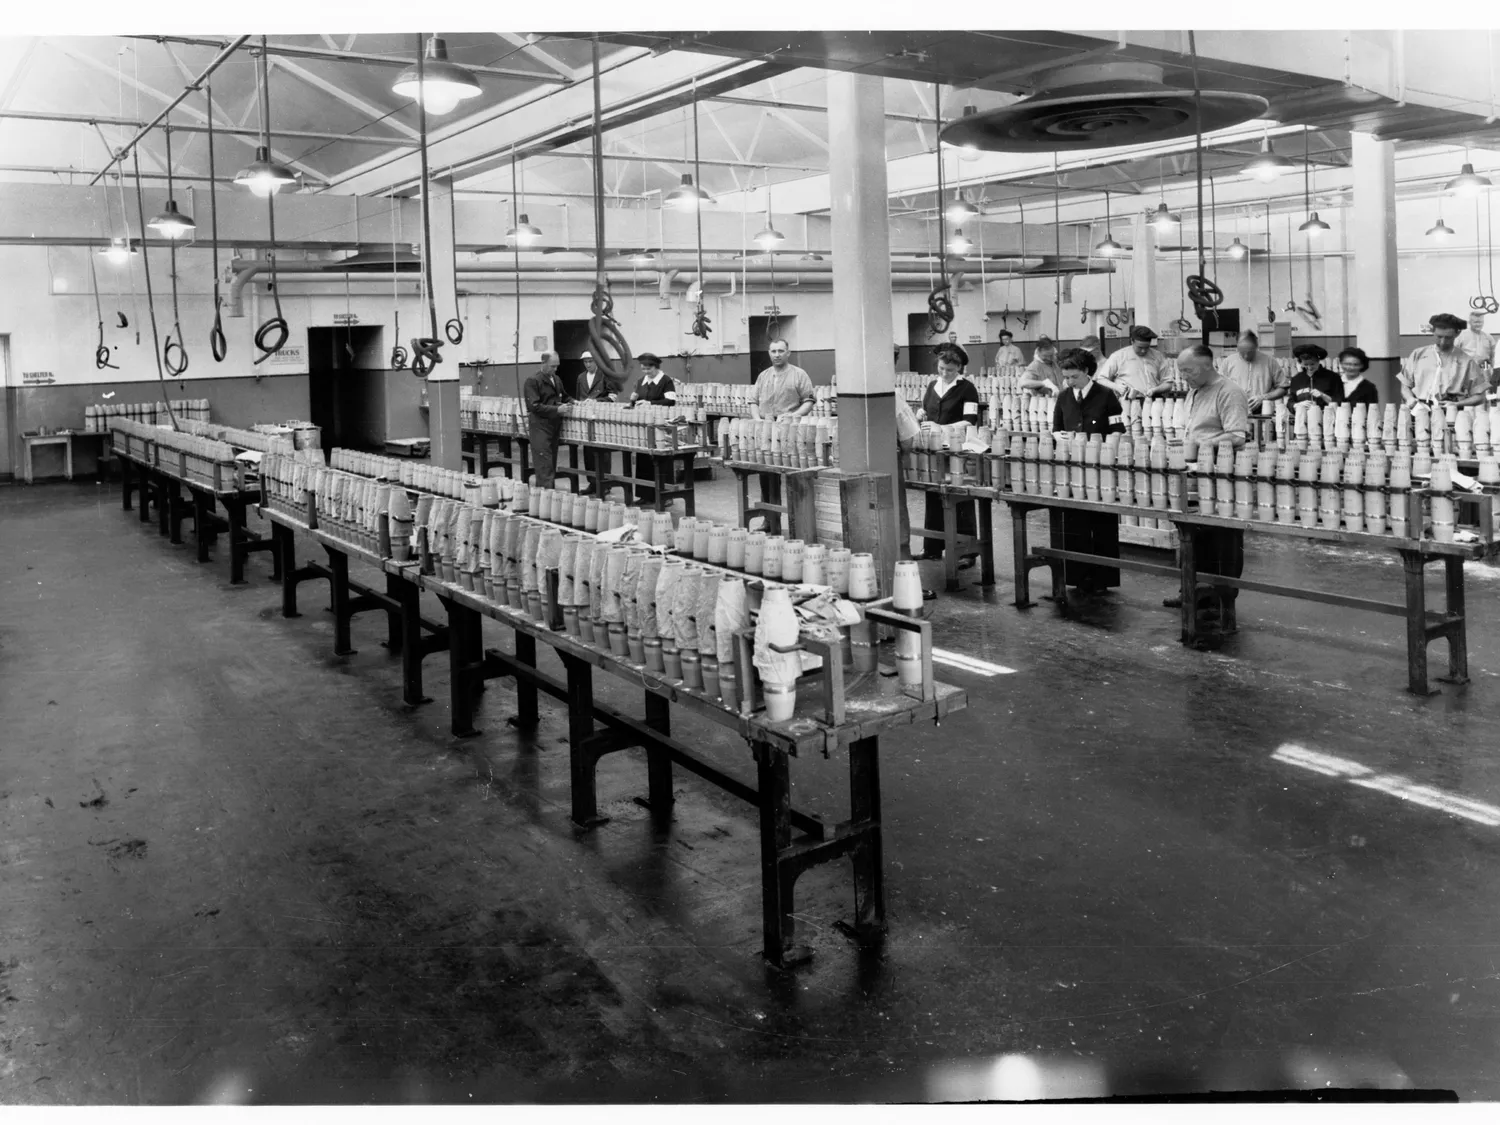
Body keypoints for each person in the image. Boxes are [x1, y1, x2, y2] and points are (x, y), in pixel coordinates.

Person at [1165, 345, 1250, 639]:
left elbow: (1237, 436)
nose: (1182, 376)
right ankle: (1192, 591)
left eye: (1187, 370)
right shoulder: (1194, 390)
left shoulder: (1229, 391)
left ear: (1206, 365)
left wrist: (1202, 446)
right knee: (1193, 537)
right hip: (1197, 474)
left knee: (1222, 540)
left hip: (1220, 478)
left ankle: (1221, 600)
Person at [1051, 348, 1124, 595]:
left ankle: (1104, 579)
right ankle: (1078, 577)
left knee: (1103, 521)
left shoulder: (1106, 395)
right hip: (1072, 467)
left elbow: (1117, 429)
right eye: (1066, 377)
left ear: (1086, 372)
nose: (1069, 382)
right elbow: (1056, 428)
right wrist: (1060, 437)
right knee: (1074, 521)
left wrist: (1105, 452)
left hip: (1101, 468)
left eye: (1074, 377)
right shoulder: (1063, 397)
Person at [917, 343, 981, 562]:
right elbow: (928, 411)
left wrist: (943, 428)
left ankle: (967, 551)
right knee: (933, 492)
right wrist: (921, 414)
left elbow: (970, 420)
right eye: (942, 368)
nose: (945, 373)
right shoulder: (932, 386)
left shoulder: (967, 388)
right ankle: (932, 548)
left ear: (959, 369)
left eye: (950, 370)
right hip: (935, 448)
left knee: (960, 495)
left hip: (957, 449)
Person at [1399, 313, 1487, 406]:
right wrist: (1409, 398)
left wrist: (1457, 404)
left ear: (1457, 333)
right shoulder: (1417, 354)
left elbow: (1480, 397)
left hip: (1451, 411)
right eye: (1439, 337)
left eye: (1448, 338)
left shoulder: (1467, 361)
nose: (1443, 342)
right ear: (1433, 331)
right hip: (1420, 409)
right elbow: (1404, 385)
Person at [626, 352, 678, 504]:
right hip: (645, 426)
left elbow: (670, 401)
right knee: (644, 458)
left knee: (662, 459)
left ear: (655, 367)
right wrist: (632, 401)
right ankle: (645, 494)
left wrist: (651, 404)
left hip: (660, 426)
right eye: (643, 369)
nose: (646, 372)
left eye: (649, 369)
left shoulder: (666, 381)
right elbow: (635, 400)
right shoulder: (641, 381)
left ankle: (665, 495)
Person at [523, 350, 571, 489]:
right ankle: (545, 501)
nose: (555, 369)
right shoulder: (533, 381)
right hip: (540, 428)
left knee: (551, 464)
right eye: (552, 366)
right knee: (544, 466)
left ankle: (548, 499)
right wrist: (557, 410)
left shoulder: (556, 379)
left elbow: (564, 397)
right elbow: (534, 406)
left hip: (553, 427)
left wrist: (575, 402)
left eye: (557, 366)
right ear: (543, 363)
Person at [1218, 330, 1289, 414]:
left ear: (1256, 346)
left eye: (1250, 352)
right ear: (1237, 347)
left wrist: (1263, 397)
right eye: (1242, 352)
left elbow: (1283, 388)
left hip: (1263, 412)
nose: (1246, 356)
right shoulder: (1228, 362)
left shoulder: (1270, 361)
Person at [572, 351, 614, 491]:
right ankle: (592, 482)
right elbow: (578, 397)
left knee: (603, 451)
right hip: (586, 419)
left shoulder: (605, 375)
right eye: (586, 362)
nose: (588, 364)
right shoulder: (580, 377)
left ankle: (605, 483)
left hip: (601, 418)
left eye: (591, 361)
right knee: (588, 451)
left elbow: (613, 397)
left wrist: (596, 401)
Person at [1096, 325, 1171, 400]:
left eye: (1146, 347)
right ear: (1132, 341)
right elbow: (1101, 379)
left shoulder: (1158, 356)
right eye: (1140, 347)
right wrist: (1117, 387)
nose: (1143, 351)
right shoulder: (1118, 356)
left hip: (1154, 400)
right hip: (1127, 401)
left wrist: (1155, 390)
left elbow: (1168, 383)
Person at [750, 338, 815, 420]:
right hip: (765, 424)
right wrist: (757, 419)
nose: (777, 355)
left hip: (790, 425)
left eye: (781, 351)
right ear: (769, 353)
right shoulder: (763, 376)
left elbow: (809, 401)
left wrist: (793, 415)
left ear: (788, 353)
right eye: (773, 351)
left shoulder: (800, 374)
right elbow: (753, 402)